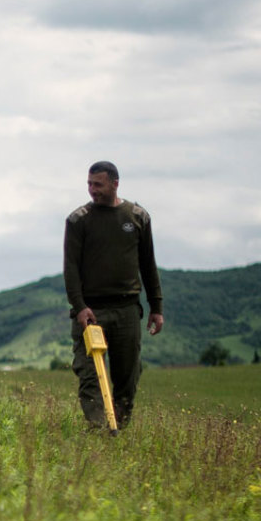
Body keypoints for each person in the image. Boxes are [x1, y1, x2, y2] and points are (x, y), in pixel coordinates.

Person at [63, 160, 164, 430]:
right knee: (90, 375)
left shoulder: (137, 217)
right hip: (90, 312)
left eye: (98, 184)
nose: (92, 190)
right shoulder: (78, 220)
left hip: (127, 309)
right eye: (89, 184)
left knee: (128, 377)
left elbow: (148, 265)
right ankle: (99, 430)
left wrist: (156, 306)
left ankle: (118, 427)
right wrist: (80, 306)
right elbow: (70, 269)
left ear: (115, 183)